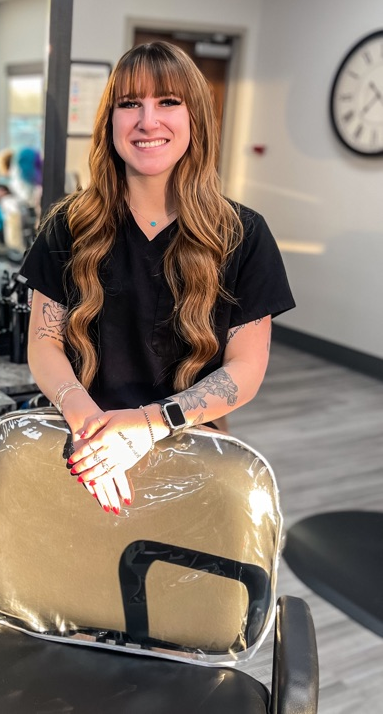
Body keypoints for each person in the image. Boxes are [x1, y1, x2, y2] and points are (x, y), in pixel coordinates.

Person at [22, 41, 294, 516]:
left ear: (195, 118)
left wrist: (149, 423)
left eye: (168, 101)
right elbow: (44, 344)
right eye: (130, 104)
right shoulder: (68, 224)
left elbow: (246, 369)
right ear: (110, 121)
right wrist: (87, 421)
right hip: (85, 454)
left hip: (189, 454)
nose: (148, 121)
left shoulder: (243, 234)